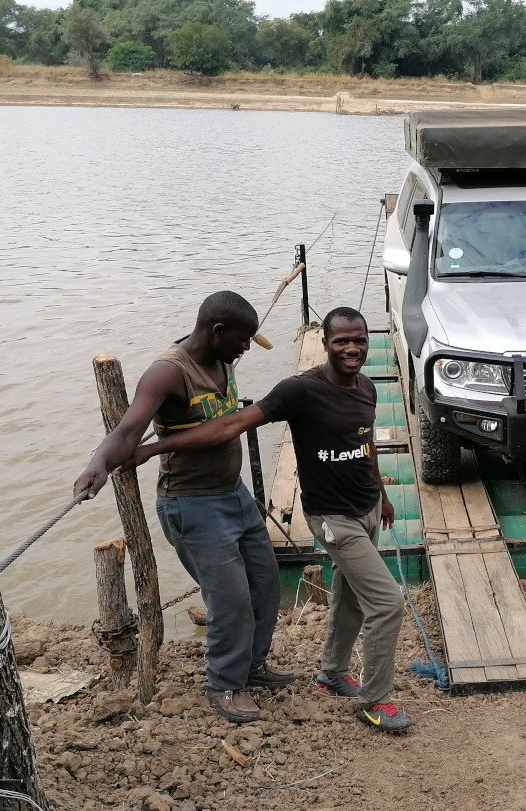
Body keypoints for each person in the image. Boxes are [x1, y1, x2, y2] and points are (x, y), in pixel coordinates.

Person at [126, 306, 414, 733]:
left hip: (368, 507)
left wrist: (384, 497)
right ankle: (375, 701)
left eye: (359, 341)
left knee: (351, 596)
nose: (352, 349)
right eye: (341, 341)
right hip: (333, 518)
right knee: (387, 603)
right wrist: (151, 450)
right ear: (325, 343)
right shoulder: (299, 391)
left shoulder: (368, 387)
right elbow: (234, 423)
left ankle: (332, 673)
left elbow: (366, 444)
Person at [74, 290, 292, 725]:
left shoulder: (223, 359)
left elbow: (223, 420)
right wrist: (98, 463)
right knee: (229, 600)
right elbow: (129, 428)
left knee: (265, 585)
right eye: (243, 339)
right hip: (192, 505)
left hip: (235, 493)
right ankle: (225, 684)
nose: (247, 348)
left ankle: (253, 666)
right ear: (216, 332)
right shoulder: (167, 373)